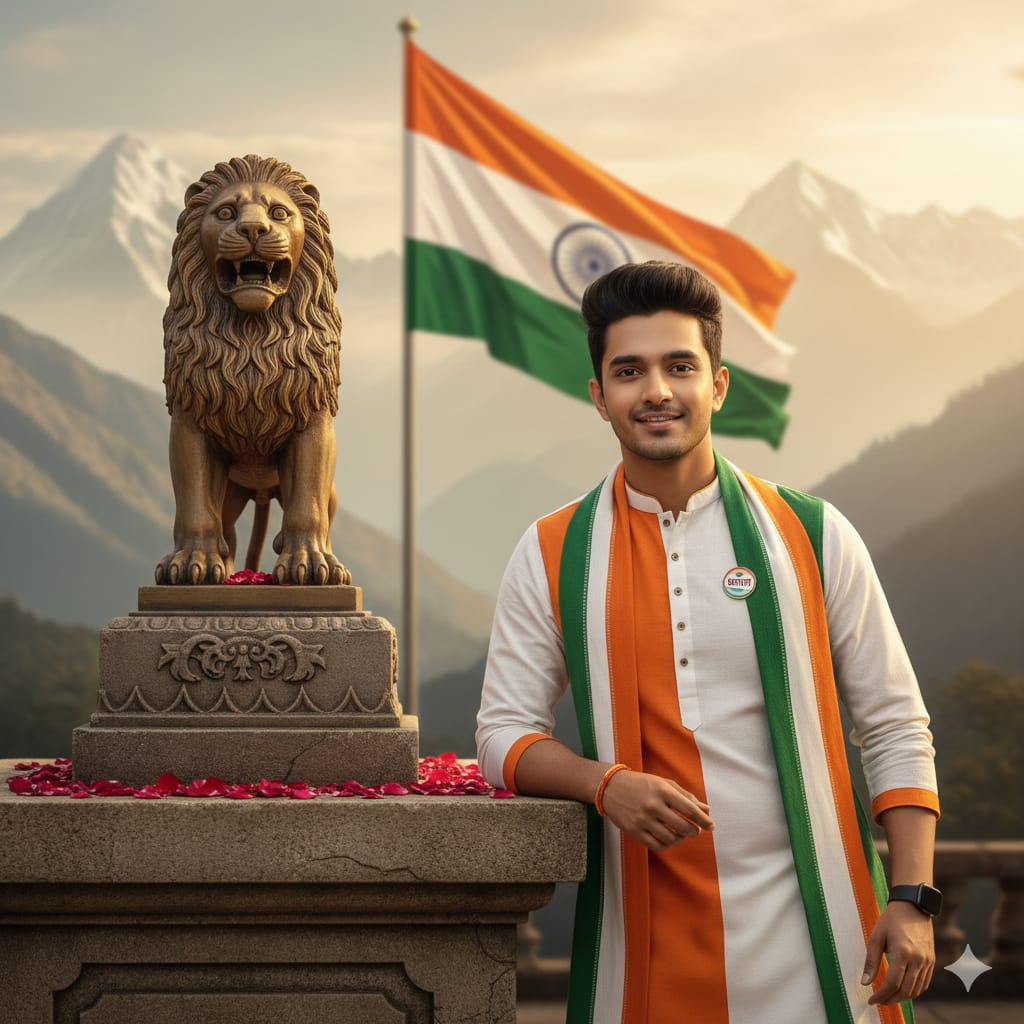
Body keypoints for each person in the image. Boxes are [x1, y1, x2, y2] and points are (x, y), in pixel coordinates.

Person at [475, 261, 939, 1024]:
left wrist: (915, 898)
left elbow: (894, 723)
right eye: (629, 371)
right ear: (599, 397)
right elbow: (501, 735)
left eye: (679, 366)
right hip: (647, 956)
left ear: (717, 385)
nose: (655, 390)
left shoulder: (813, 535)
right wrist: (604, 783)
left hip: (827, 943)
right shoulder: (555, 549)